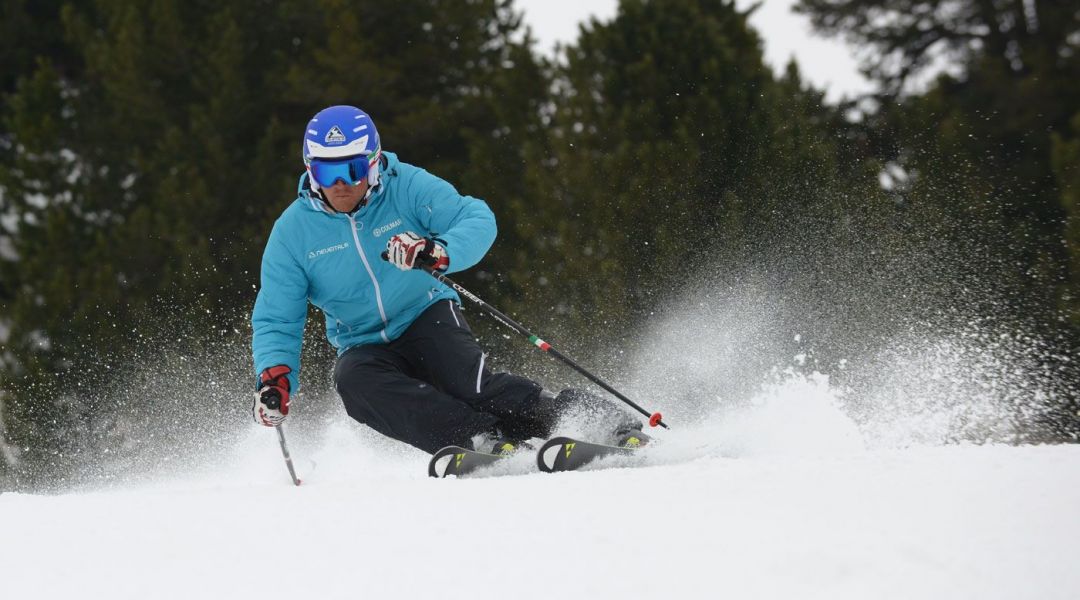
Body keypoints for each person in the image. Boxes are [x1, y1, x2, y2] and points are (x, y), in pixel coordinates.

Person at [250, 105, 642, 455]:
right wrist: (276, 378)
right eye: (326, 171)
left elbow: (475, 218)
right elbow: (277, 316)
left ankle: (598, 422)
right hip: (361, 340)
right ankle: (479, 440)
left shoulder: (406, 186)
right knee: (354, 385)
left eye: (351, 169)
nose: (340, 184)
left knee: (467, 383)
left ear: (373, 162)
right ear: (309, 170)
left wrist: (437, 251)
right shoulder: (293, 232)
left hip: (425, 311)